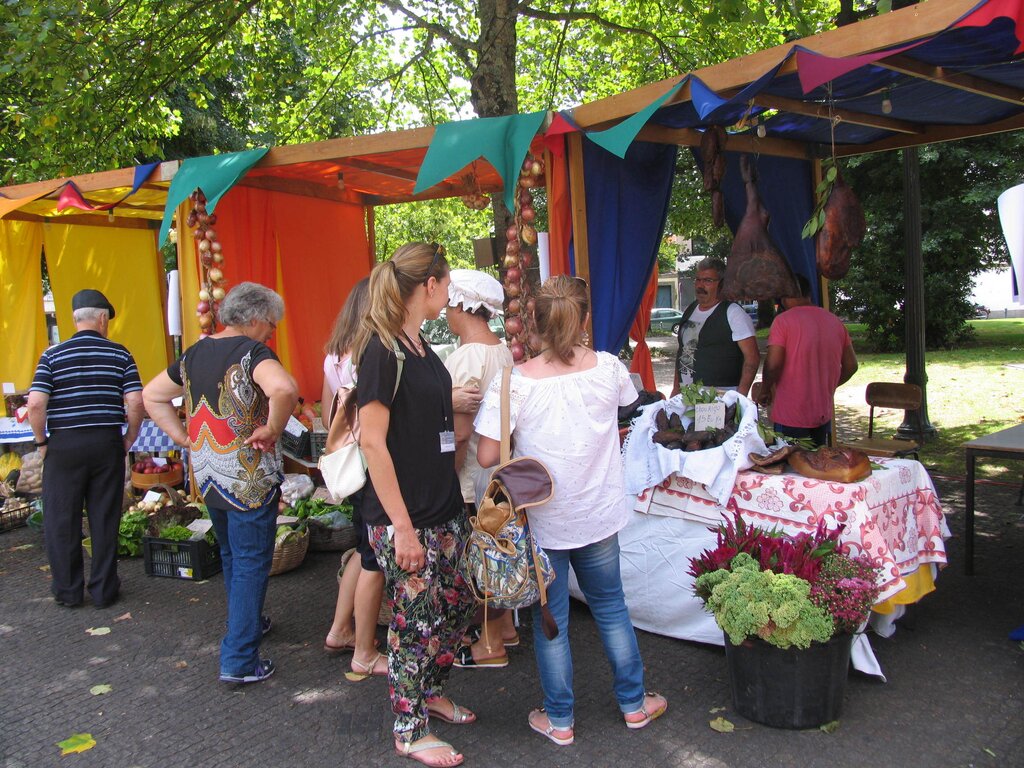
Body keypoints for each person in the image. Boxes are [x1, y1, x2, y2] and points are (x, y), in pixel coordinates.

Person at [475, 275, 667, 747]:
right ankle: (634, 704)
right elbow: (627, 408)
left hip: (542, 522)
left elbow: (486, 456)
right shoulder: (609, 369)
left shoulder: (514, 384)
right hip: (599, 513)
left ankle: (560, 720)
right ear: (584, 319)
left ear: (534, 320)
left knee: (552, 621)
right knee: (611, 607)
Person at [352, 242, 476, 767]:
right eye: (446, 285)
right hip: (405, 519)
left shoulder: (420, 345)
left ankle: (429, 691)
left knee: (460, 607)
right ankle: (409, 728)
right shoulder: (381, 349)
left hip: (444, 509)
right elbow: (372, 442)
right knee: (415, 623)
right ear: (428, 285)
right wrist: (401, 528)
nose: (448, 295)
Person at [143, 282, 299, 685]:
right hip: (249, 477)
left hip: (210, 473)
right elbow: (283, 388)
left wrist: (183, 438)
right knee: (250, 562)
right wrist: (272, 427)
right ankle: (239, 659)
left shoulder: (193, 353)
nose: (272, 332)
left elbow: (152, 395)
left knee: (232, 556)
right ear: (254, 318)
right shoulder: (253, 353)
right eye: (271, 323)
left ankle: (248, 624)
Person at [27, 289, 144, 609]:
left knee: (60, 518)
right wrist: (129, 438)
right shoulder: (120, 354)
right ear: (103, 319)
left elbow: (36, 403)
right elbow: (135, 401)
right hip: (106, 442)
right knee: (105, 516)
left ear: (76, 319)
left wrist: (42, 443)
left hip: (63, 445)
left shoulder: (52, 355)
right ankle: (104, 591)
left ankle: (67, 591)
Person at [440, 269, 517, 669]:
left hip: (472, 476)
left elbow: (462, 431)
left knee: (479, 559)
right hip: (500, 471)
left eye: (449, 304)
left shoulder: (467, 356)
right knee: (496, 549)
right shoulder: (501, 350)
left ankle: (489, 646)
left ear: (460, 306)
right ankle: (504, 629)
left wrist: (449, 476)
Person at [319, 278, 388, 681]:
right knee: (373, 556)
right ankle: (362, 647)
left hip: (351, 465)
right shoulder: (372, 353)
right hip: (373, 460)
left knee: (364, 550)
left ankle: (340, 628)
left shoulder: (333, 355)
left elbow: (330, 416)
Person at [755, 274, 858, 447]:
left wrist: (765, 390)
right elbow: (851, 365)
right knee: (816, 465)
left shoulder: (783, 321)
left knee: (792, 468)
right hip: (822, 410)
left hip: (790, 413)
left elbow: (773, 364)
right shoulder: (834, 321)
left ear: (784, 297)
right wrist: (828, 385)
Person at [671, 257, 759, 397]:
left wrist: (740, 397)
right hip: (687, 395)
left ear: (722, 284)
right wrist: (676, 389)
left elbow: (752, 358)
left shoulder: (733, 313)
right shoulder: (690, 310)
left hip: (720, 396)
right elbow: (683, 351)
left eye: (707, 281)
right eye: (698, 280)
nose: (700, 285)